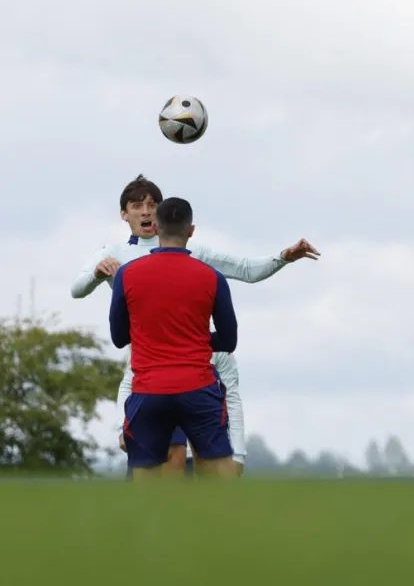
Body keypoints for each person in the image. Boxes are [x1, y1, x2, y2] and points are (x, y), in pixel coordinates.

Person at [71, 174, 319, 476]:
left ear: (162, 216)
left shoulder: (196, 254)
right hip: (148, 367)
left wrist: (282, 258)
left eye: (152, 205)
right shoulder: (114, 256)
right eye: (137, 205)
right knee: (165, 460)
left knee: (218, 468)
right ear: (124, 213)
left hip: (201, 368)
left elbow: (245, 269)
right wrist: (97, 274)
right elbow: (77, 289)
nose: (146, 211)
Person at [110, 197, 239, 480]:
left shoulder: (126, 275)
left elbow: (119, 338)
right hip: (199, 388)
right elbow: (229, 341)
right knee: (219, 479)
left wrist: (154, 339)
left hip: (148, 391)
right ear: (191, 230)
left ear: (155, 227)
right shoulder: (213, 277)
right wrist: (193, 342)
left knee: (145, 484)